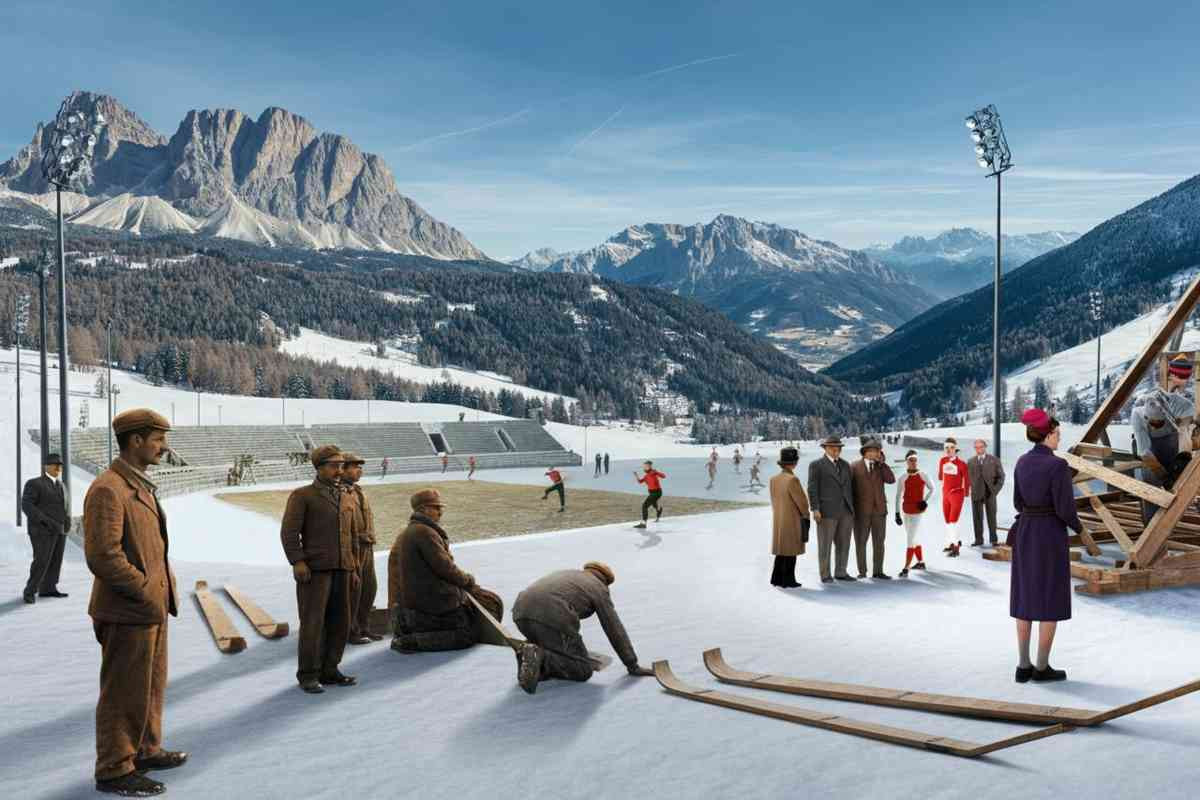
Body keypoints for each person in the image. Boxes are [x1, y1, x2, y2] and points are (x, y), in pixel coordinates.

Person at [83, 409, 185, 797]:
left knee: (150, 687)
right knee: (123, 691)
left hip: (151, 608)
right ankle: (113, 769)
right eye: (158, 439)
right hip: (128, 610)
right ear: (136, 441)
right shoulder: (109, 488)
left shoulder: (138, 485)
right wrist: (144, 589)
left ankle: (144, 751)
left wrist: (161, 594)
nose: (164, 446)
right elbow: (103, 555)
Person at [1010, 409, 1082, 683]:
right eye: (1058, 433)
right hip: (1049, 533)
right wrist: (1080, 529)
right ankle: (1042, 667)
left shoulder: (1021, 462)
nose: (1060, 438)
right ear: (1048, 434)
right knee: (1049, 596)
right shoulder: (1057, 466)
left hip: (1026, 531)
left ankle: (1022, 665)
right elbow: (1065, 508)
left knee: (1025, 596)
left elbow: (1018, 502)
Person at [280, 445, 357, 693]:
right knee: (313, 623)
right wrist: (298, 561)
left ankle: (330, 669)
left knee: (340, 622)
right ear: (319, 467)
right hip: (315, 570)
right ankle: (308, 674)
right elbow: (289, 533)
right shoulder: (303, 496)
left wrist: (353, 565)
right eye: (334, 465)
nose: (339, 470)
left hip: (343, 568)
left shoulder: (346, 496)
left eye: (341, 465)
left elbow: (351, 534)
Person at [388, 488, 503, 652]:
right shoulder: (424, 532)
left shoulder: (411, 531)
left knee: (477, 607)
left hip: (417, 603)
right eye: (436, 508)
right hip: (429, 605)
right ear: (423, 510)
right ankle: (411, 641)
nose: (440, 512)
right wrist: (469, 582)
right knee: (468, 634)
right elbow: (446, 569)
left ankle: (412, 634)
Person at [512, 562, 652, 694]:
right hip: (552, 614)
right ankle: (542, 656)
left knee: (548, 638)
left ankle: (532, 659)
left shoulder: (569, 574)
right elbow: (613, 627)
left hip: (520, 611)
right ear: (606, 581)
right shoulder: (598, 587)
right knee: (582, 670)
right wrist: (632, 664)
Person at [1131, 384, 1194, 524]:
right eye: (1152, 422)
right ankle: (1152, 524)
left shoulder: (1181, 406)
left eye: (1159, 422)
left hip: (1172, 442)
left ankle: (1172, 520)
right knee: (1150, 482)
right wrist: (1163, 476)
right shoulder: (1137, 415)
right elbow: (1145, 452)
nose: (1155, 424)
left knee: (1178, 481)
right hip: (1150, 447)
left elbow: (1185, 432)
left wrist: (1183, 457)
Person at [341, 453, 381, 646]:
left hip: (367, 548)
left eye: (360, 467)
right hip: (352, 549)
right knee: (352, 593)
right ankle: (351, 631)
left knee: (369, 588)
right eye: (355, 466)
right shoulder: (339, 493)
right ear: (343, 469)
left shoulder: (358, 491)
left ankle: (364, 627)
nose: (360, 470)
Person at [21, 452, 71, 604]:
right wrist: (45, 521)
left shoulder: (61, 485)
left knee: (56, 561)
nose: (58, 467)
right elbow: (26, 505)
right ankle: (30, 591)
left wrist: (66, 523)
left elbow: (65, 507)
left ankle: (48, 589)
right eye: (55, 464)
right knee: (41, 560)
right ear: (46, 466)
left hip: (60, 530)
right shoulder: (34, 483)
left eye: (60, 465)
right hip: (42, 531)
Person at [808, 436, 856, 583]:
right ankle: (825, 574)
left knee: (844, 543)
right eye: (832, 448)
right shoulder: (816, 465)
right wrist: (815, 508)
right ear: (825, 448)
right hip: (826, 511)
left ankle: (841, 572)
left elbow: (850, 488)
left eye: (838, 448)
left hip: (846, 511)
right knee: (825, 545)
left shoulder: (846, 465)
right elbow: (812, 489)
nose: (836, 450)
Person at [851, 437, 896, 580]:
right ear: (864, 452)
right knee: (860, 542)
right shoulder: (854, 467)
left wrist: (883, 464)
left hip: (879, 511)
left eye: (876, 451)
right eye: (870, 451)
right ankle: (862, 571)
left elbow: (891, 479)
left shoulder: (881, 467)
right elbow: (849, 489)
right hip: (861, 512)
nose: (874, 454)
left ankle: (878, 571)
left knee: (879, 543)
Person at [770, 447, 810, 588]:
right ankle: (788, 580)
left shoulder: (774, 479)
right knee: (791, 551)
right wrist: (806, 516)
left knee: (782, 551)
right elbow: (802, 503)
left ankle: (776, 578)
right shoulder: (793, 479)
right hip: (793, 519)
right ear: (795, 462)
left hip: (779, 518)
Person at [894, 451, 934, 577]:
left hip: (917, 511)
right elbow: (898, 496)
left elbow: (932, 488)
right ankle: (921, 562)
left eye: (915, 459)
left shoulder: (923, 475)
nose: (913, 462)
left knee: (910, 539)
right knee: (913, 538)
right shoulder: (903, 478)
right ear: (906, 461)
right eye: (911, 459)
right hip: (906, 511)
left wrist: (924, 501)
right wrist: (897, 513)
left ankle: (906, 568)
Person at [968, 439, 1006, 546]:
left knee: (992, 517)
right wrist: (971, 488)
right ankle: (978, 540)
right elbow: (968, 478)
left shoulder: (994, 460)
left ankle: (993, 540)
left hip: (990, 493)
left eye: (981, 446)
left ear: (985, 447)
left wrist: (995, 490)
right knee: (977, 518)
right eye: (977, 447)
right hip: (976, 493)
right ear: (975, 448)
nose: (979, 449)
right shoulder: (970, 461)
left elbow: (1001, 477)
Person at [938, 438, 970, 557]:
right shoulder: (942, 461)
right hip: (945, 494)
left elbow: (967, 480)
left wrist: (965, 493)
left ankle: (956, 547)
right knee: (947, 521)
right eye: (946, 447)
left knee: (953, 521)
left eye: (951, 447)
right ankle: (952, 543)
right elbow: (941, 477)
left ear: (955, 448)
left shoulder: (962, 464)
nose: (948, 450)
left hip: (956, 494)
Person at [634, 461, 666, 528]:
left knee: (644, 506)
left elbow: (664, 476)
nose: (644, 468)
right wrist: (636, 476)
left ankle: (643, 523)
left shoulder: (653, 473)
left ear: (650, 466)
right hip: (652, 493)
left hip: (656, 492)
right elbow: (640, 482)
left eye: (646, 466)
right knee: (654, 504)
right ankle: (659, 510)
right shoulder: (646, 476)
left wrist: (656, 472)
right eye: (644, 466)